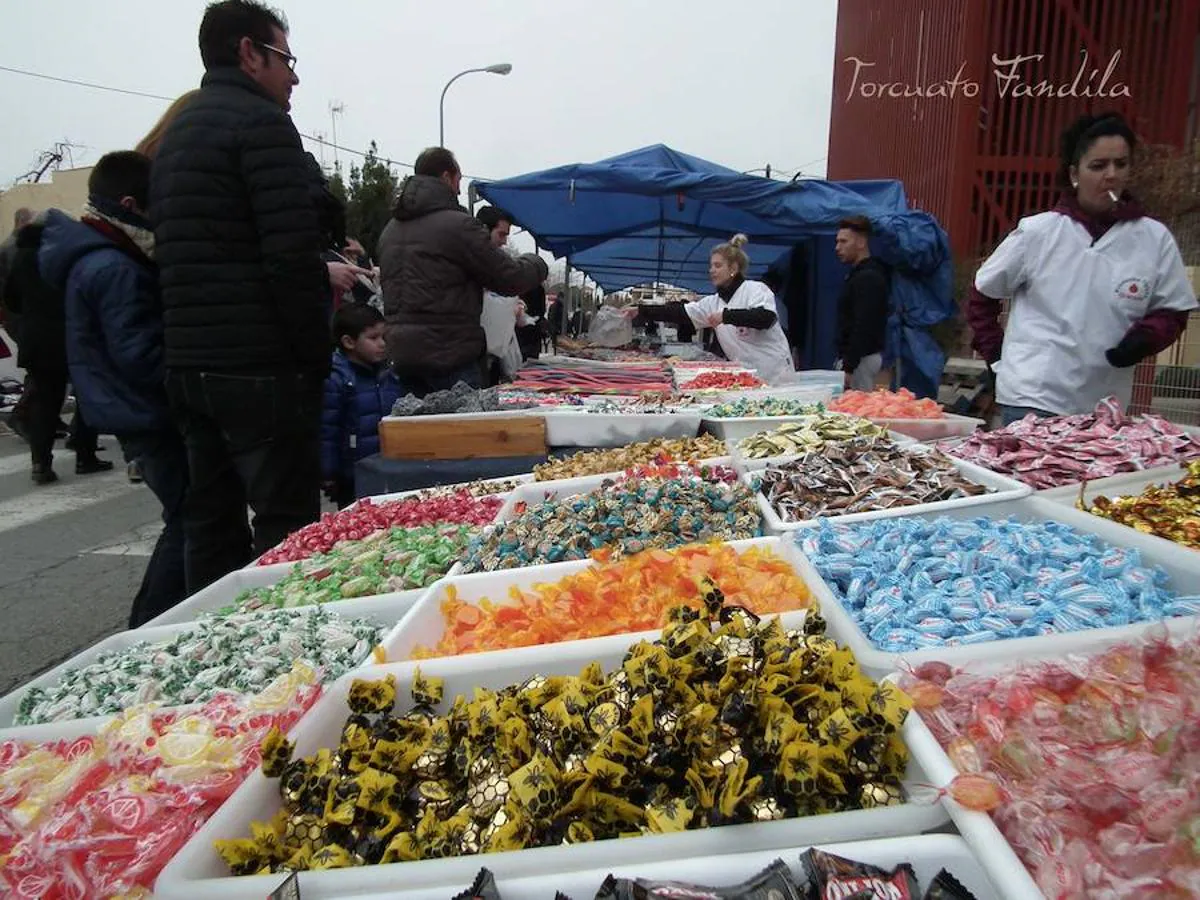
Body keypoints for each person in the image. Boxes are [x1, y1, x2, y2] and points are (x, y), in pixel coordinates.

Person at [149, 0, 333, 592]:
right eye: (285, 58)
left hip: (190, 364)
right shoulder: (261, 124)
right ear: (248, 53)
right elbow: (290, 258)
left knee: (211, 523)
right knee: (286, 527)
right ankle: (287, 656)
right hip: (257, 366)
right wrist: (313, 357)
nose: (294, 76)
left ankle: (208, 651)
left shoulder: (178, 133)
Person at [968, 112, 1198, 424]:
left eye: (1121, 164)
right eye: (1098, 166)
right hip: (1032, 399)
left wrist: (1143, 340)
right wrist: (996, 356)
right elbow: (982, 294)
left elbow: (1172, 310)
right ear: (1075, 173)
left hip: (1104, 405)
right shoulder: (1039, 232)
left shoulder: (1153, 238)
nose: (1111, 175)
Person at [38, 152, 188, 625]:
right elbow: (140, 354)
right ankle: (148, 624)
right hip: (144, 413)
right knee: (188, 518)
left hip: (131, 410)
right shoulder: (114, 267)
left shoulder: (102, 256)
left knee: (187, 515)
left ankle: (155, 619)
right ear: (129, 204)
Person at [377, 147, 549, 397]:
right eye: (458, 180)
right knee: (462, 433)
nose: (458, 190)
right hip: (450, 357)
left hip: (403, 358)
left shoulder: (390, 231)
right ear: (447, 177)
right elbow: (509, 277)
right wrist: (536, 263)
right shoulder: (456, 226)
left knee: (414, 433)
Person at [3, 211, 112, 483]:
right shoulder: (65, 256)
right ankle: (85, 454)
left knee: (44, 401)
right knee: (87, 395)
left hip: (36, 338)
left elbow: (11, 299)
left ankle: (41, 463)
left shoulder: (21, 257)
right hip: (71, 333)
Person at [633, 234, 796, 384]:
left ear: (733, 269)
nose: (712, 271)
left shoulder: (755, 289)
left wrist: (726, 316)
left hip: (774, 373)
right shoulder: (712, 303)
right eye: (711, 266)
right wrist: (641, 311)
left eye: (718, 266)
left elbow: (765, 318)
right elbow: (680, 313)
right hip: (746, 376)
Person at [320, 304, 400, 509]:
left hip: (387, 466)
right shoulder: (336, 379)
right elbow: (328, 430)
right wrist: (328, 473)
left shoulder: (388, 374)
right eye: (373, 338)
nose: (382, 344)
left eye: (383, 337)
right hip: (352, 473)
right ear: (348, 342)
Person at [834, 216, 889, 391]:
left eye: (844, 241)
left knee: (857, 410)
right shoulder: (858, 275)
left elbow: (864, 324)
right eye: (837, 242)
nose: (838, 248)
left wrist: (849, 366)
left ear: (861, 242)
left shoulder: (869, 278)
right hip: (855, 358)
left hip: (861, 360)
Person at [475, 206, 524, 383]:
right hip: (469, 356)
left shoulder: (493, 263)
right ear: (484, 230)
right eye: (501, 234)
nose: (504, 242)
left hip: (488, 355)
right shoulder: (468, 260)